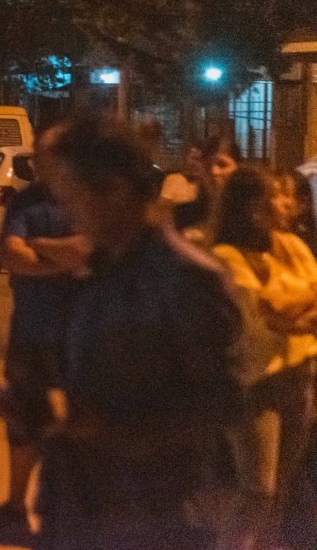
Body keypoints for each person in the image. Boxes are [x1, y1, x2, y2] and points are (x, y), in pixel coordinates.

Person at [35, 114, 245, 550]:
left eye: (73, 197)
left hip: (157, 518)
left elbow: (221, 406)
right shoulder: (101, 272)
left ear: (115, 190)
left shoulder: (186, 280)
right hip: (84, 509)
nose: (66, 213)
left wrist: (114, 434)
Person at [0, 125, 89, 537]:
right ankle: (15, 508)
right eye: (36, 156)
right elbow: (11, 254)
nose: (37, 163)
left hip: (85, 336)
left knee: (85, 425)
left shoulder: (91, 202)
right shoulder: (26, 201)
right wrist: (65, 261)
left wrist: (39, 247)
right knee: (22, 419)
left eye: (45, 156)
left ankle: (77, 515)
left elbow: (91, 251)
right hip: (31, 332)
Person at [210, 167, 317, 549]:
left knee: (281, 487)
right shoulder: (226, 255)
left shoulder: (293, 246)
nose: (285, 203)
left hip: (299, 375)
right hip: (254, 383)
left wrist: (289, 311)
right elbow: (267, 311)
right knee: (258, 489)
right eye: (273, 196)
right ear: (248, 207)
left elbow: (282, 308)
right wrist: (299, 306)